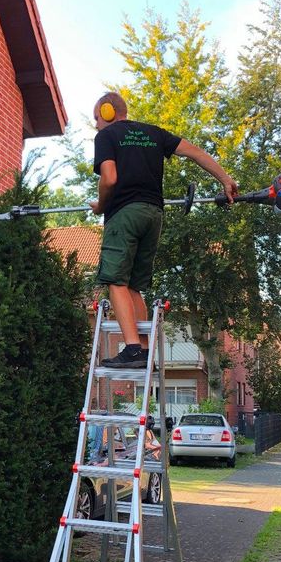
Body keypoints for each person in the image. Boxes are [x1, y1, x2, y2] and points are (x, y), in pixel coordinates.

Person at [90, 92, 238, 368]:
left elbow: (110, 178)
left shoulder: (105, 137)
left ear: (107, 112)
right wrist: (225, 178)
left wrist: (100, 206)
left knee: (115, 281)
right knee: (135, 286)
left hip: (124, 213)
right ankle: (144, 350)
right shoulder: (153, 133)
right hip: (154, 215)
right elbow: (194, 152)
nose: (96, 124)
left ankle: (133, 348)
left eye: (96, 118)